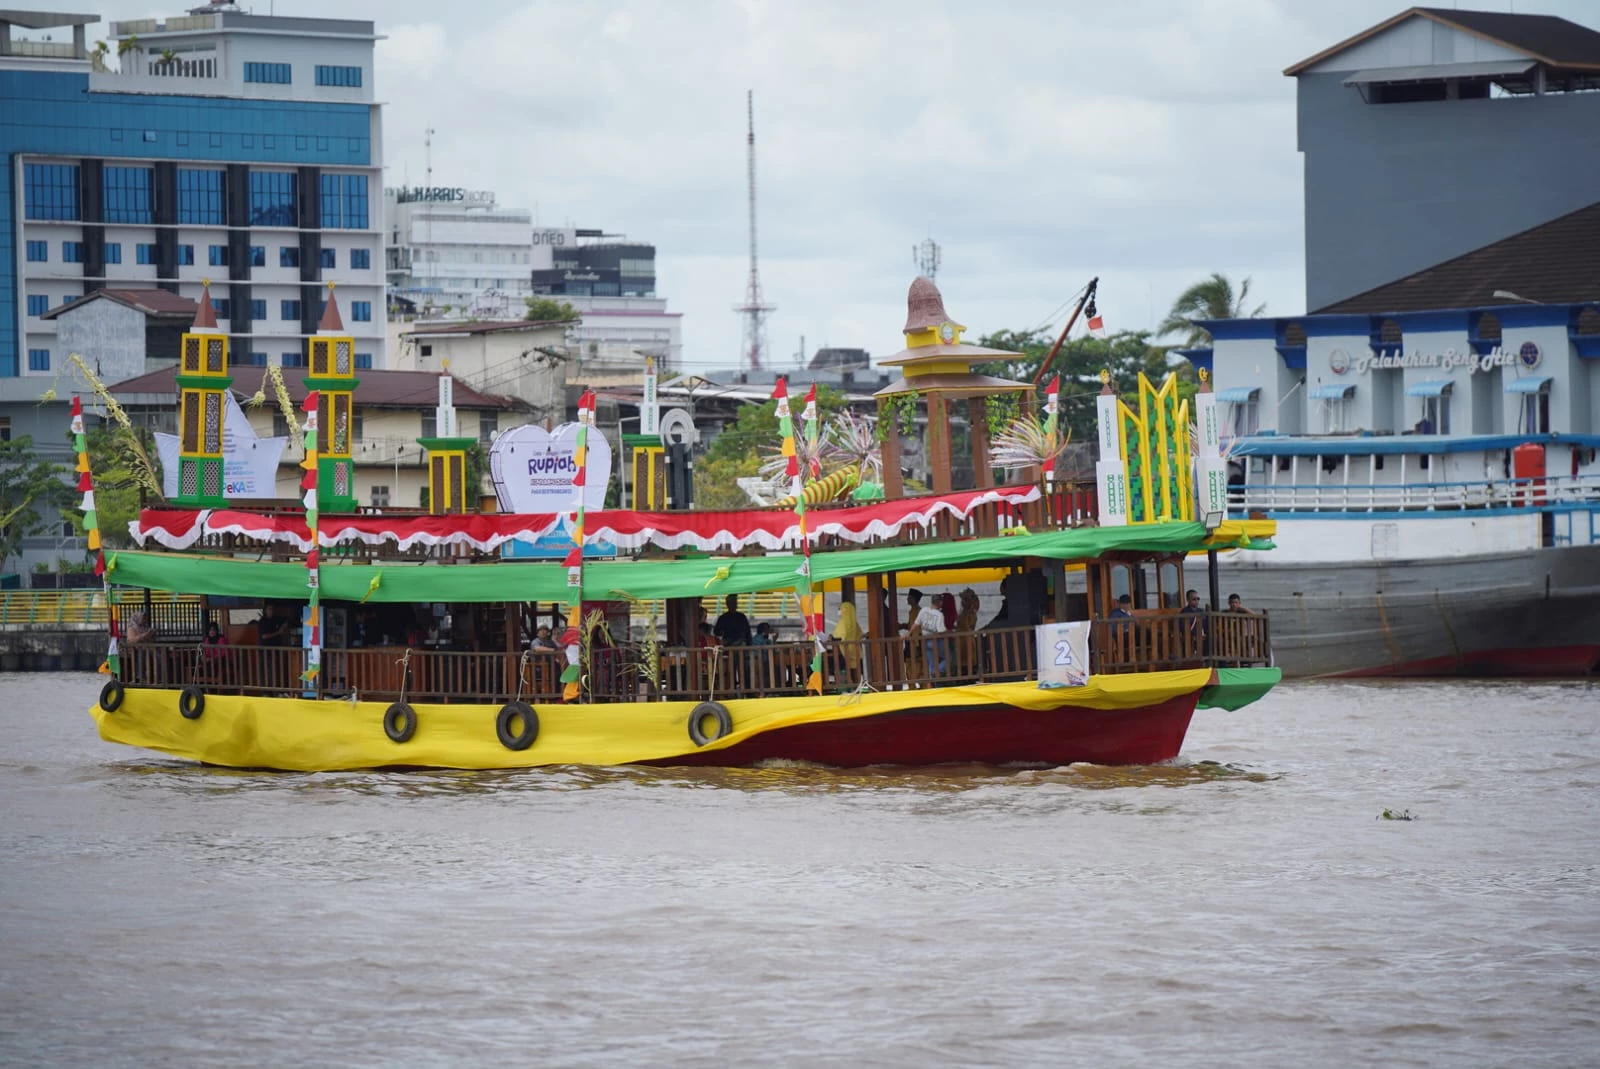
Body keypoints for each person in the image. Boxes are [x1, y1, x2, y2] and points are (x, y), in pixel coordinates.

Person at [909, 592, 947, 676]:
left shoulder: (924, 610)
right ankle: (936, 672)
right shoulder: (939, 615)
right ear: (940, 603)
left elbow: (916, 623)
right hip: (934, 640)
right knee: (948, 658)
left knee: (931, 662)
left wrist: (908, 633)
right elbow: (941, 631)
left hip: (925, 640)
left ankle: (932, 678)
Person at [830, 600, 864, 681]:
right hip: (855, 650)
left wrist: (831, 637)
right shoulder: (854, 623)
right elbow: (860, 634)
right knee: (854, 668)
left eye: (840, 609)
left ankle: (844, 685)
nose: (839, 611)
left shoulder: (843, 622)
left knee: (841, 668)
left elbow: (837, 636)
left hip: (843, 650)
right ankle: (856, 684)